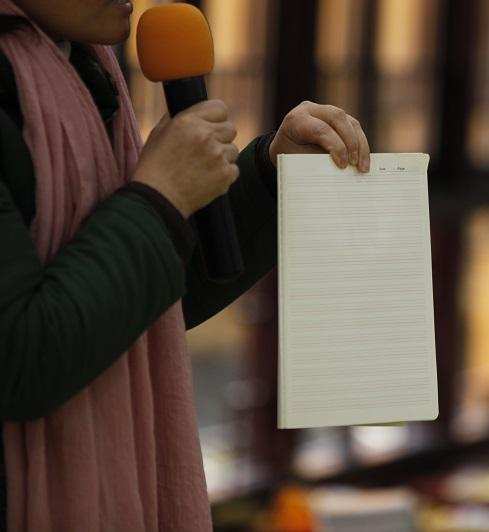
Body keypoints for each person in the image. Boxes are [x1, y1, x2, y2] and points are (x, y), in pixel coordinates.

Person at [0, 1, 371, 530]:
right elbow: (23, 356)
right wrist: (160, 198)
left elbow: (143, 306)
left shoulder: (82, 69)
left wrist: (271, 175)